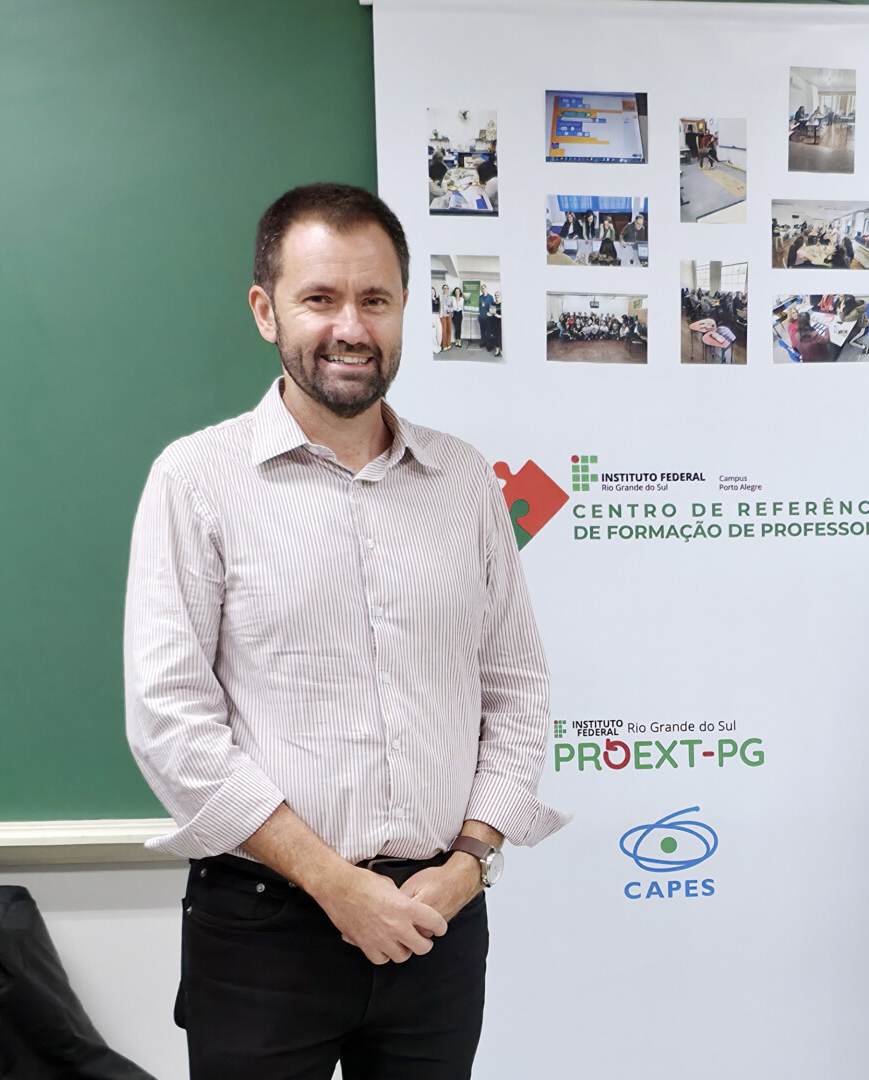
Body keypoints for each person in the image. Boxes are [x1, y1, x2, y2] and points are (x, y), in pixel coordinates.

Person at [125, 182, 565, 1079]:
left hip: (437, 920)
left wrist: (471, 862)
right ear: (266, 311)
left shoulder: (463, 481)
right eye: (320, 299)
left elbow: (516, 689)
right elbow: (171, 722)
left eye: (375, 300)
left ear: (406, 311)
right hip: (265, 929)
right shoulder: (196, 479)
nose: (350, 328)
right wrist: (335, 883)